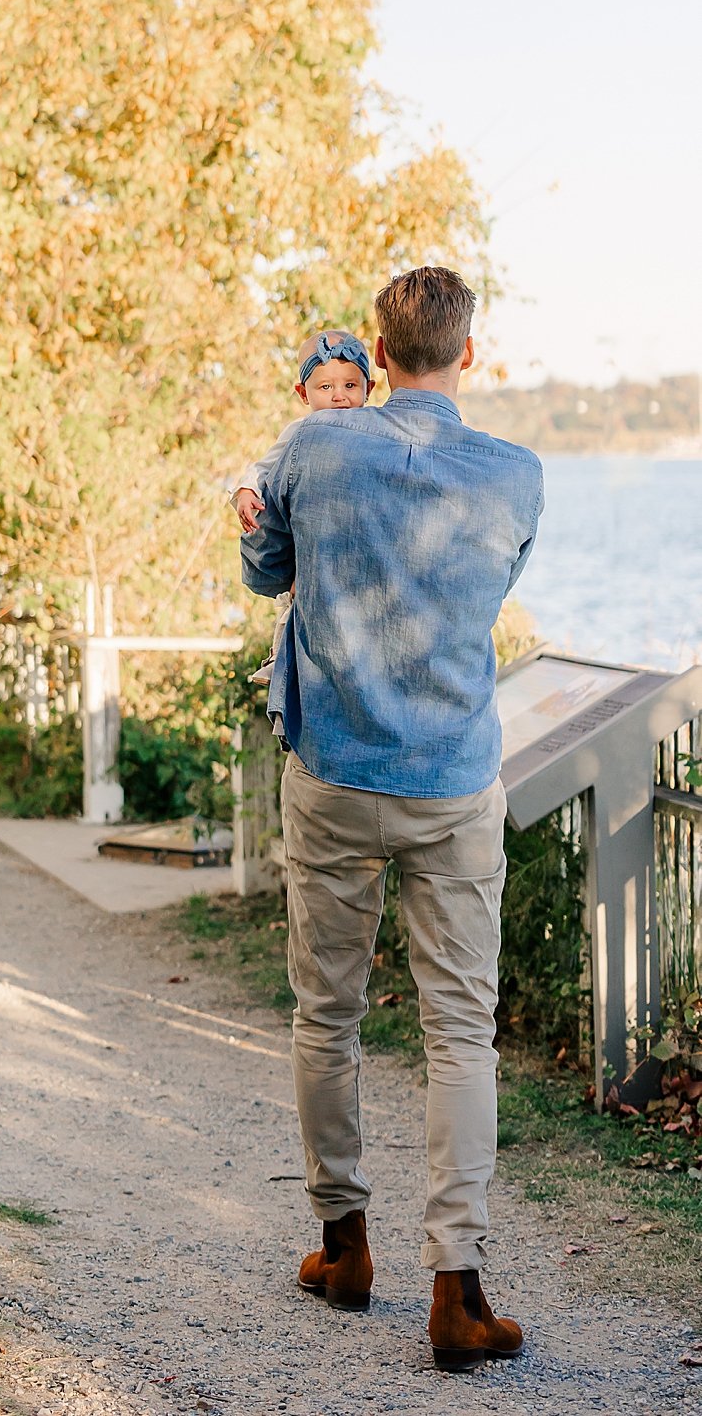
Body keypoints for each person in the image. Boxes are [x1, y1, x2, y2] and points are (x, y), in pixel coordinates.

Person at [240, 265, 543, 1374]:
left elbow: (269, 567)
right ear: (469, 350)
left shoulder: (314, 448)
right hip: (453, 783)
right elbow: (487, 594)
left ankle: (345, 1248)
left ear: (378, 348)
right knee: (461, 1033)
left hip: (332, 770)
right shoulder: (517, 475)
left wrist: (258, 528)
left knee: (329, 1016)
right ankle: (457, 1293)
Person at [228, 330, 377, 686]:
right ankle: (280, 655)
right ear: (303, 393)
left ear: (369, 388)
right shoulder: (302, 431)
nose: (339, 396)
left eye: (350, 386)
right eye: (325, 388)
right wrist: (246, 489)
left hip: (357, 531)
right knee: (298, 591)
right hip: (316, 532)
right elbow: (266, 466)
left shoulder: (375, 428)